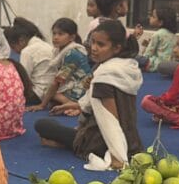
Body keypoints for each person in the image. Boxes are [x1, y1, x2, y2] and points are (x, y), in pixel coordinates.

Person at [35, 21, 144, 169]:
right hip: (132, 139)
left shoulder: (105, 75)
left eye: (101, 44)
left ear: (117, 48)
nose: (94, 48)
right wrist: (75, 105)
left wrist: (117, 156)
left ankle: (70, 144)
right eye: (93, 42)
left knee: (42, 125)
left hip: (99, 143)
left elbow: (110, 120)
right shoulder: (127, 66)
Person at [33, 18, 92, 114]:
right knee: (50, 95)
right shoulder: (59, 51)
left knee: (51, 93)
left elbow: (56, 82)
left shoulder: (72, 53)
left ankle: (75, 106)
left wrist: (41, 105)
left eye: (60, 34)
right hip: (75, 85)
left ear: (72, 37)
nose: (55, 37)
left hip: (82, 89)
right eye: (54, 33)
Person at [7, 17, 56, 105]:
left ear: (21, 41)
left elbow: (22, 80)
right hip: (51, 93)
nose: (14, 51)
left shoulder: (27, 51)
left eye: (13, 47)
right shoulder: (46, 45)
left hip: (37, 95)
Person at [139, 7, 177, 74]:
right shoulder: (173, 35)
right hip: (169, 66)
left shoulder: (158, 34)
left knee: (137, 58)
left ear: (160, 22)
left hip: (155, 66)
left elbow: (147, 54)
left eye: (153, 16)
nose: (150, 17)